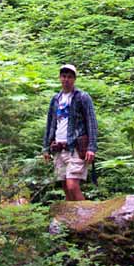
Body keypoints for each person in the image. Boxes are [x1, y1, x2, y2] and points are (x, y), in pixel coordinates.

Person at [43, 64, 98, 201]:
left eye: (69, 77)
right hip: (58, 148)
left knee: (72, 185)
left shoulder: (82, 97)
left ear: (74, 79)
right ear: (60, 78)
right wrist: (46, 147)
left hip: (76, 147)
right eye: (63, 76)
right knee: (66, 188)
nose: (66, 79)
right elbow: (50, 123)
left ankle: (87, 219)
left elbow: (91, 122)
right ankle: (71, 221)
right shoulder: (55, 99)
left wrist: (91, 147)